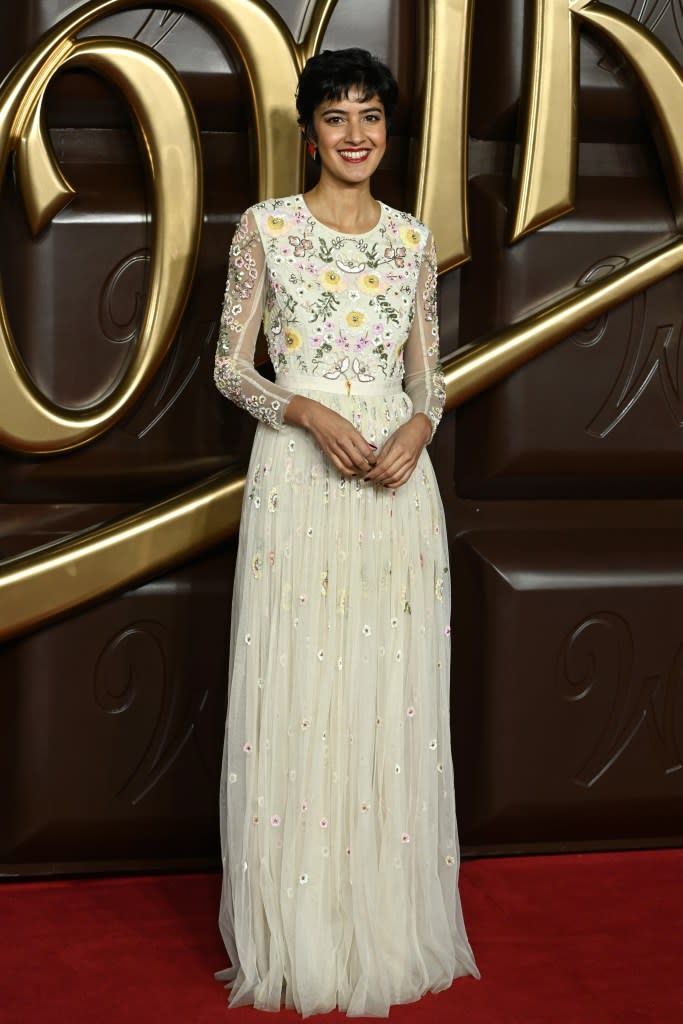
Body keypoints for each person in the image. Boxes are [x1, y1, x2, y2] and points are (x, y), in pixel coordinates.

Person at [213, 47, 479, 1017]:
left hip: (396, 489)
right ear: (309, 130)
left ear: (386, 129)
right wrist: (306, 413)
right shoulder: (266, 230)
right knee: (304, 689)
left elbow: (429, 376)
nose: (355, 134)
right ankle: (301, 924)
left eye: (370, 115)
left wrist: (416, 427)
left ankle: (379, 914)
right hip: (299, 478)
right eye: (336, 116)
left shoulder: (411, 239)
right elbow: (230, 370)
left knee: (385, 696)